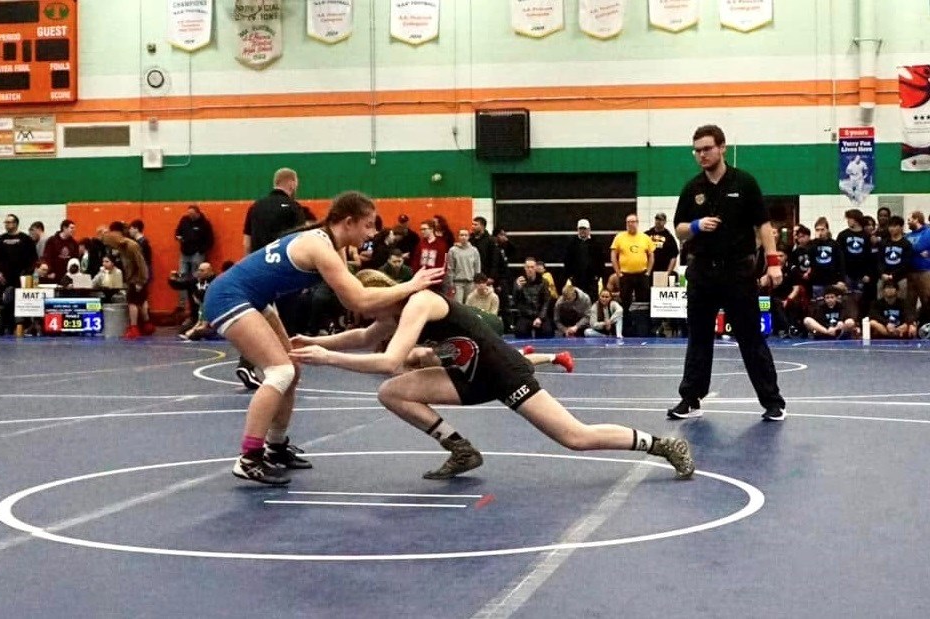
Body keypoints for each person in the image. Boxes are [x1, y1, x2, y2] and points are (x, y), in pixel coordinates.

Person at [289, 269, 694, 480]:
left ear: (376, 296)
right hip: (465, 373)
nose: (361, 313)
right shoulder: (391, 311)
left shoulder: (418, 303)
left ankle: (660, 445)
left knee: (576, 437)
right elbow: (364, 335)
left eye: (362, 304)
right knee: (393, 393)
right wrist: (317, 341)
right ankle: (462, 450)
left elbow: (389, 360)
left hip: (501, 373)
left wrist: (327, 359)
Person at [201, 191, 444, 485]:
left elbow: (352, 292)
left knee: (293, 368)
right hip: (229, 297)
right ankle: (249, 458)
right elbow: (359, 301)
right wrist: (409, 286)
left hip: (254, 297)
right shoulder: (319, 246)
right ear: (349, 222)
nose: (373, 232)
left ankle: (275, 447)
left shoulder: (332, 243)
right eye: (368, 225)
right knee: (280, 371)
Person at [668, 124, 787, 422]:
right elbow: (679, 229)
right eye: (696, 150)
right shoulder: (692, 188)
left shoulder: (744, 183)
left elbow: (763, 225)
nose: (701, 155)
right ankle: (691, 398)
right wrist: (697, 226)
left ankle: (773, 402)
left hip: (737, 272)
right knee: (698, 337)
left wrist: (773, 263)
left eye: (707, 148)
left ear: (722, 147)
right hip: (702, 272)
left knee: (750, 337)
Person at [236, 169, 308, 389]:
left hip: (258, 269)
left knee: (260, 319)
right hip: (284, 271)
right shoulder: (295, 208)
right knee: (285, 320)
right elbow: (301, 241)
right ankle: (284, 366)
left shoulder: (255, 207)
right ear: (292, 183)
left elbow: (247, 243)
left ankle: (247, 362)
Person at [175, 205, 214, 310]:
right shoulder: (184, 220)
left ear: (198, 213)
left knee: (195, 278)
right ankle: (182, 305)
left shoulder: (204, 223)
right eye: (189, 214)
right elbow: (177, 232)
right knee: (182, 278)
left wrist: (201, 250)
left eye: (192, 214)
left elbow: (210, 240)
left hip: (197, 254)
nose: (190, 216)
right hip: (184, 253)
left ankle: (195, 304)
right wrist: (178, 238)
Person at [563, 218, 605, 302]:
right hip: (577, 278)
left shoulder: (596, 243)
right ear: (577, 230)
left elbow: (601, 260)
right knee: (577, 299)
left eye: (584, 229)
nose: (582, 231)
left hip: (592, 279)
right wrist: (570, 275)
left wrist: (598, 275)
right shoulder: (571, 244)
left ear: (589, 229)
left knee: (592, 299)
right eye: (580, 229)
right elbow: (567, 260)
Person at [446, 229, 481, 303]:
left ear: (469, 237)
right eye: (461, 235)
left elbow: (477, 268)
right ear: (458, 237)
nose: (463, 237)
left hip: (470, 282)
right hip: (458, 283)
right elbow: (450, 268)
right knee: (458, 304)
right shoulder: (453, 250)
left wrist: (477, 282)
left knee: (470, 305)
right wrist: (451, 283)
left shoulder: (474, 250)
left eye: (466, 235)